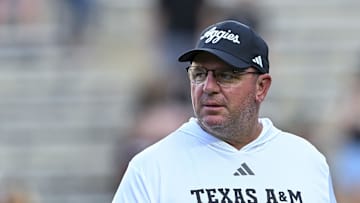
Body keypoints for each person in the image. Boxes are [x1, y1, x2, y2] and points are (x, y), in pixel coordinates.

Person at [112, 20, 337, 203]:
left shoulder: (306, 161)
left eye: (226, 75)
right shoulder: (151, 168)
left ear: (261, 87)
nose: (208, 87)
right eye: (199, 74)